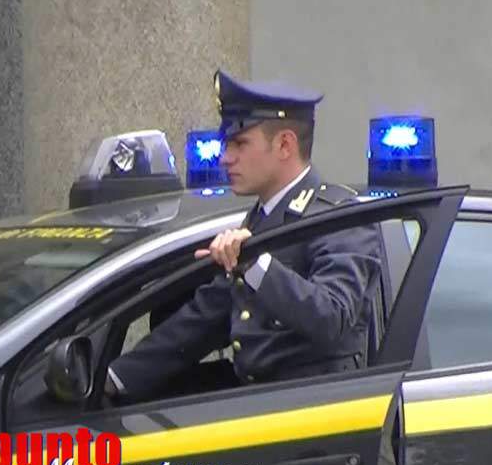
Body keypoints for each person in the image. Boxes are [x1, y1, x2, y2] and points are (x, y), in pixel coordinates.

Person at [105, 70, 382, 401]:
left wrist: (253, 262)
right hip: (256, 416)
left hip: (318, 429)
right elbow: (205, 317)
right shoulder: (260, 219)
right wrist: (113, 380)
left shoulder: (338, 217)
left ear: (284, 144)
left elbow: (332, 317)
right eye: (226, 144)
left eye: (239, 143)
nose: (226, 157)